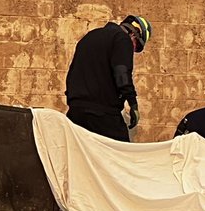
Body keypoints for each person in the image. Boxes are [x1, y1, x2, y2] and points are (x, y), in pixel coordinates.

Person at [65, 14, 152, 142]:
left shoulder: (90, 37)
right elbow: (122, 73)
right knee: (121, 154)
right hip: (102, 113)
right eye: (136, 46)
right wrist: (133, 104)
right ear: (134, 34)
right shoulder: (122, 39)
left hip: (76, 112)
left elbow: (72, 71)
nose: (133, 50)